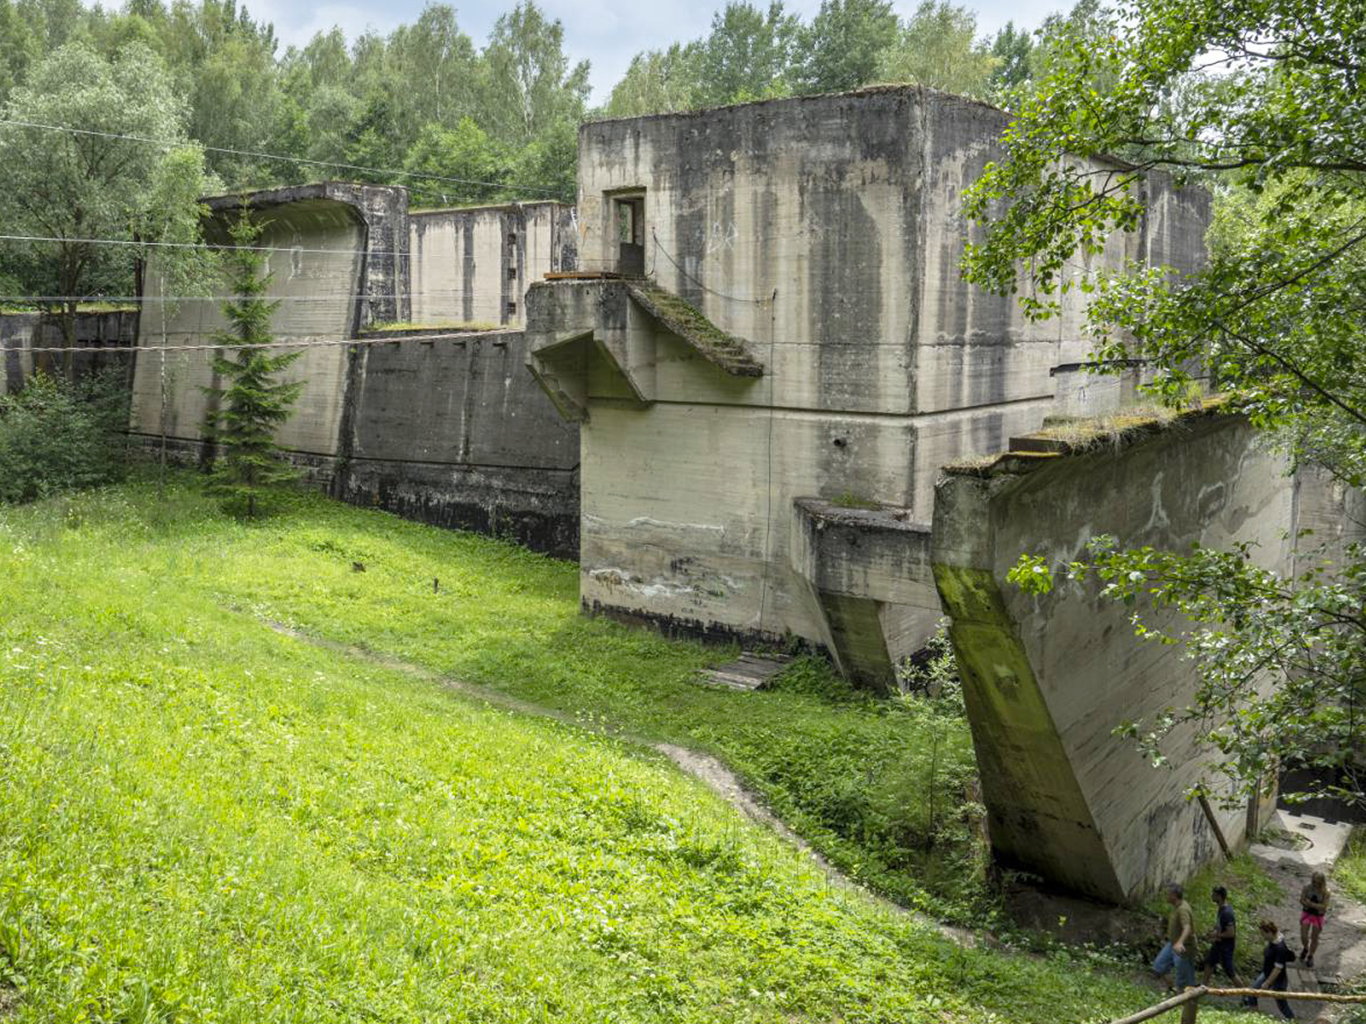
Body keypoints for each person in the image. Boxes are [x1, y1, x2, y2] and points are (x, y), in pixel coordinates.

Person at [1245, 919, 1296, 1019]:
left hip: (1278, 980)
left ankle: (1291, 1020)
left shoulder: (1280, 948)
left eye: (1263, 933)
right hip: (1266, 973)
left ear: (1269, 932)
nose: (1262, 936)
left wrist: (1267, 983)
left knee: (1282, 1004)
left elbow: (1277, 968)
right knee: (1252, 995)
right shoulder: (1273, 941)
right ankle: (1254, 1018)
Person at [1153, 881, 1196, 992]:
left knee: (1184, 978)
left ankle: (1185, 999)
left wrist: (1180, 943)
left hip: (1183, 948)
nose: (1166, 896)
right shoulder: (1177, 907)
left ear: (1174, 896)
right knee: (1159, 966)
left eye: (1168, 894)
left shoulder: (1183, 909)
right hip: (1172, 944)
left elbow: (1187, 928)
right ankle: (1172, 990)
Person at [1200, 885, 1243, 987]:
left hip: (1226, 947)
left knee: (1230, 971)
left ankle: (1246, 994)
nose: (1212, 896)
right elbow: (1220, 925)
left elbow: (1231, 933)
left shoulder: (1227, 913)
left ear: (1219, 896)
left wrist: (1217, 934)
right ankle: (1203, 986)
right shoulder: (1221, 909)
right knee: (1209, 963)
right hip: (1218, 944)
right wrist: (1212, 931)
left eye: (1214, 895)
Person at [1299, 871, 1329, 968]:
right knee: (1304, 935)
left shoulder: (1326, 892)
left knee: (1314, 937)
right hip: (1307, 913)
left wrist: (1312, 905)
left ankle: (1311, 955)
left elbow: (1324, 906)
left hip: (1318, 916)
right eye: (1314, 881)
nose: (1316, 884)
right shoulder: (1307, 887)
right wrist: (1305, 903)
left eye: (1318, 882)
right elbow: (1301, 899)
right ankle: (1305, 948)